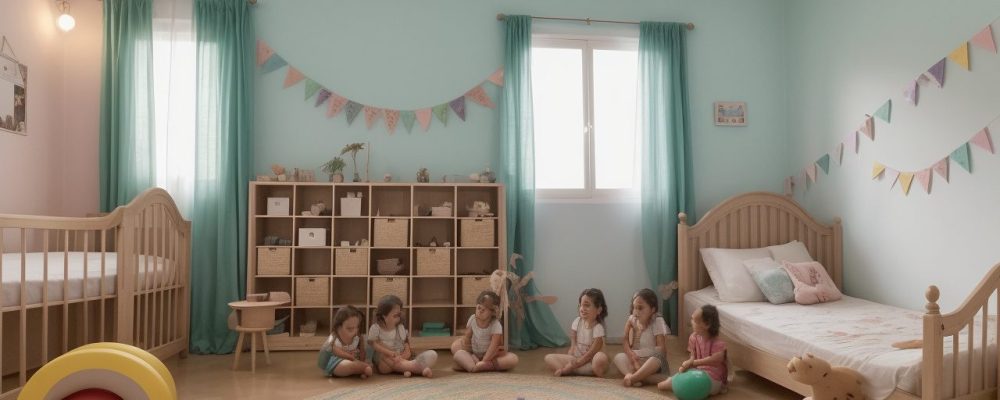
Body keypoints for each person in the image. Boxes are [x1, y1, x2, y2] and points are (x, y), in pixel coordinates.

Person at [658, 304, 727, 395]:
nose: (691, 323)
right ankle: (671, 383)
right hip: (698, 371)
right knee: (674, 379)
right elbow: (692, 356)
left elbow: (715, 359)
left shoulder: (718, 343)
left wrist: (693, 363)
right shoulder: (693, 338)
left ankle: (679, 385)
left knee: (691, 384)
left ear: (707, 324)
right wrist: (688, 364)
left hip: (713, 376)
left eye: (694, 321)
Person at [544, 288, 609, 377]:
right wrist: (572, 349)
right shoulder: (577, 321)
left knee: (600, 358)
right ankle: (571, 370)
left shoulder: (598, 328)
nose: (582, 308)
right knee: (549, 358)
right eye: (581, 305)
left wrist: (573, 365)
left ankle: (569, 370)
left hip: (590, 362)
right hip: (576, 360)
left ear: (598, 310)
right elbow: (573, 341)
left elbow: (590, 354)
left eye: (587, 305)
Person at [368, 295, 437, 377]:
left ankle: (405, 368)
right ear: (384, 316)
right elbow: (374, 344)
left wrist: (405, 353)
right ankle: (416, 369)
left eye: (399, 315)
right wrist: (390, 353)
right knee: (384, 366)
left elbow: (405, 343)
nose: (398, 318)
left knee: (390, 366)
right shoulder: (376, 328)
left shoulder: (400, 327)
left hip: (399, 355)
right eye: (395, 316)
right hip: (384, 355)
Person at [450, 290, 519, 372]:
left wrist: (485, 360)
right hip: (474, 352)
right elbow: (467, 338)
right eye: (479, 308)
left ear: (493, 312)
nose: (480, 311)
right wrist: (470, 353)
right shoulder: (472, 319)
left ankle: (485, 365)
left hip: (490, 356)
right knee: (455, 346)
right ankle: (473, 366)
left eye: (484, 309)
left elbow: (494, 346)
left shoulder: (495, 325)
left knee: (513, 358)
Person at [613, 288, 669, 386]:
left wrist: (640, 356)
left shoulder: (657, 321)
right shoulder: (632, 319)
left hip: (652, 362)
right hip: (637, 359)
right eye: (634, 307)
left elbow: (662, 350)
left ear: (653, 309)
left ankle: (633, 378)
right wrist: (631, 355)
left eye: (640, 308)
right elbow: (625, 340)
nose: (636, 312)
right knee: (618, 357)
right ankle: (636, 376)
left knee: (657, 358)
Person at [317, 306, 373, 378]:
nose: (354, 331)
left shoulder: (358, 338)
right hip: (339, 362)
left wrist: (362, 361)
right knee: (346, 366)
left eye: (357, 327)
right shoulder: (334, 337)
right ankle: (363, 369)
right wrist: (351, 358)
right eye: (350, 329)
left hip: (356, 361)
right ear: (339, 327)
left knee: (367, 363)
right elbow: (333, 349)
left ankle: (362, 368)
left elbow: (362, 352)